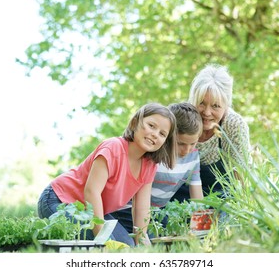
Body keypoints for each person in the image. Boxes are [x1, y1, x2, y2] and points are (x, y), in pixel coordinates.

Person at [37, 103, 178, 247]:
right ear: (135, 122)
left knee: (127, 245)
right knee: (109, 245)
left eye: (162, 134)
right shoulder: (113, 148)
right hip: (60, 200)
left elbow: (141, 207)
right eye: (151, 126)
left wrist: (142, 239)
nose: (155, 134)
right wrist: (102, 238)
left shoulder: (150, 164)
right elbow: (92, 191)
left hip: (90, 207)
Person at [111, 102, 204, 233]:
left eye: (193, 143)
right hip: (129, 210)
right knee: (152, 240)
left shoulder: (193, 155)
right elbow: (138, 202)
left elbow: (197, 198)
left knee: (174, 238)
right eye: (180, 143)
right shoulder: (153, 153)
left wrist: (201, 231)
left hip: (157, 213)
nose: (187, 150)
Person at [171, 64, 251, 202]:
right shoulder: (180, 117)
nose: (207, 113)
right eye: (201, 103)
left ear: (226, 105)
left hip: (220, 199)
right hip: (179, 197)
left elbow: (242, 176)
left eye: (215, 106)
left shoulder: (233, 125)